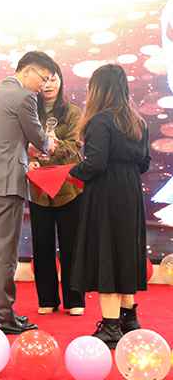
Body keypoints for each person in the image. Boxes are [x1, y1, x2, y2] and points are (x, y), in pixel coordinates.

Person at [0, 51, 57, 335]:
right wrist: (49, 144)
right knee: (6, 251)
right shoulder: (24, 97)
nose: (43, 86)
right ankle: (4, 316)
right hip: (6, 182)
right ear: (27, 70)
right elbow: (38, 137)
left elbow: (3, 135)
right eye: (43, 78)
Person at [69, 64, 150, 348]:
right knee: (125, 251)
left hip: (106, 196)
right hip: (130, 194)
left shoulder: (100, 121)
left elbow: (95, 163)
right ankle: (129, 319)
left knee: (107, 253)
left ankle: (111, 326)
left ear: (98, 89)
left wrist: (72, 171)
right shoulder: (138, 122)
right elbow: (144, 163)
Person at [27, 61, 85, 316]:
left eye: (53, 79)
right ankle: (47, 299)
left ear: (61, 81)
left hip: (68, 188)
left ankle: (75, 300)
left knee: (71, 245)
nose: (48, 84)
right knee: (42, 245)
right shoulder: (29, 110)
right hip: (38, 188)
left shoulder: (73, 112)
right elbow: (21, 144)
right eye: (45, 79)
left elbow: (74, 147)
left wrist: (49, 147)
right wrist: (28, 156)